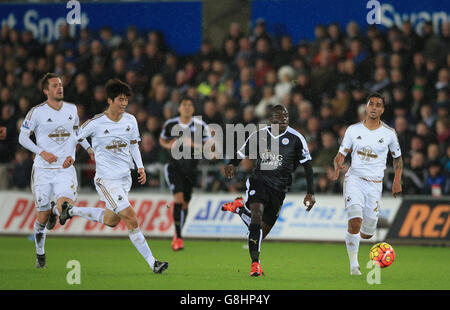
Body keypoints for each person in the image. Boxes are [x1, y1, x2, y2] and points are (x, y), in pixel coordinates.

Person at [60, 79, 168, 274]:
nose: (124, 103)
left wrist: (140, 167)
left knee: (111, 220)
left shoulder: (131, 120)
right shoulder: (96, 122)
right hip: (106, 180)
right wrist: (74, 154)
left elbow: (134, 144)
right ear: (109, 100)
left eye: (126, 99)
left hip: (124, 178)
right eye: (120, 99)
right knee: (131, 218)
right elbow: (75, 136)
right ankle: (153, 263)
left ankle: (71, 211)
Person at [222, 104, 316, 277]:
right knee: (257, 214)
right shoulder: (259, 135)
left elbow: (307, 165)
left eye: (286, 117)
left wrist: (310, 192)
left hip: (280, 189)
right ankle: (255, 264)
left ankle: (239, 208)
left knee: (260, 231)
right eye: (280, 117)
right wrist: (231, 164)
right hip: (260, 182)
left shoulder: (296, 138)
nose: (284, 120)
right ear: (271, 119)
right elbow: (242, 153)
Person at [18, 73, 94, 268]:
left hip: (64, 169)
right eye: (54, 85)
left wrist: (84, 151)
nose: (59, 88)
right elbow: (23, 138)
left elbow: (77, 134)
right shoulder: (36, 112)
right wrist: (41, 152)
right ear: (46, 91)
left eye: (60, 85)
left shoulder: (71, 109)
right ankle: (40, 254)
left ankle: (56, 209)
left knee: (65, 207)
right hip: (43, 170)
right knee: (42, 218)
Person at [332, 92, 402, 276]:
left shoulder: (389, 133)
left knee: (367, 233)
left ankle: (363, 230)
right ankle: (354, 265)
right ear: (366, 107)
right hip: (354, 178)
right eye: (371, 104)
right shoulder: (353, 130)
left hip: (375, 184)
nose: (374, 107)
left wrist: (397, 180)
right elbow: (341, 154)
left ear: (382, 109)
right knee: (355, 219)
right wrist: (338, 163)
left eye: (378, 105)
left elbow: (398, 159)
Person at [159, 96, 211, 251]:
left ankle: (178, 233)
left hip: (191, 169)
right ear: (179, 108)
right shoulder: (170, 124)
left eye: (190, 105)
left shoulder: (201, 125)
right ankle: (178, 237)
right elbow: (162, 139)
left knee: (185, 203)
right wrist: (169, 145)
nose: (187, 107)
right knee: (178, 199)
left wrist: (194, 144)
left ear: (193, 109)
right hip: (174, 167)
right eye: (184, 104)